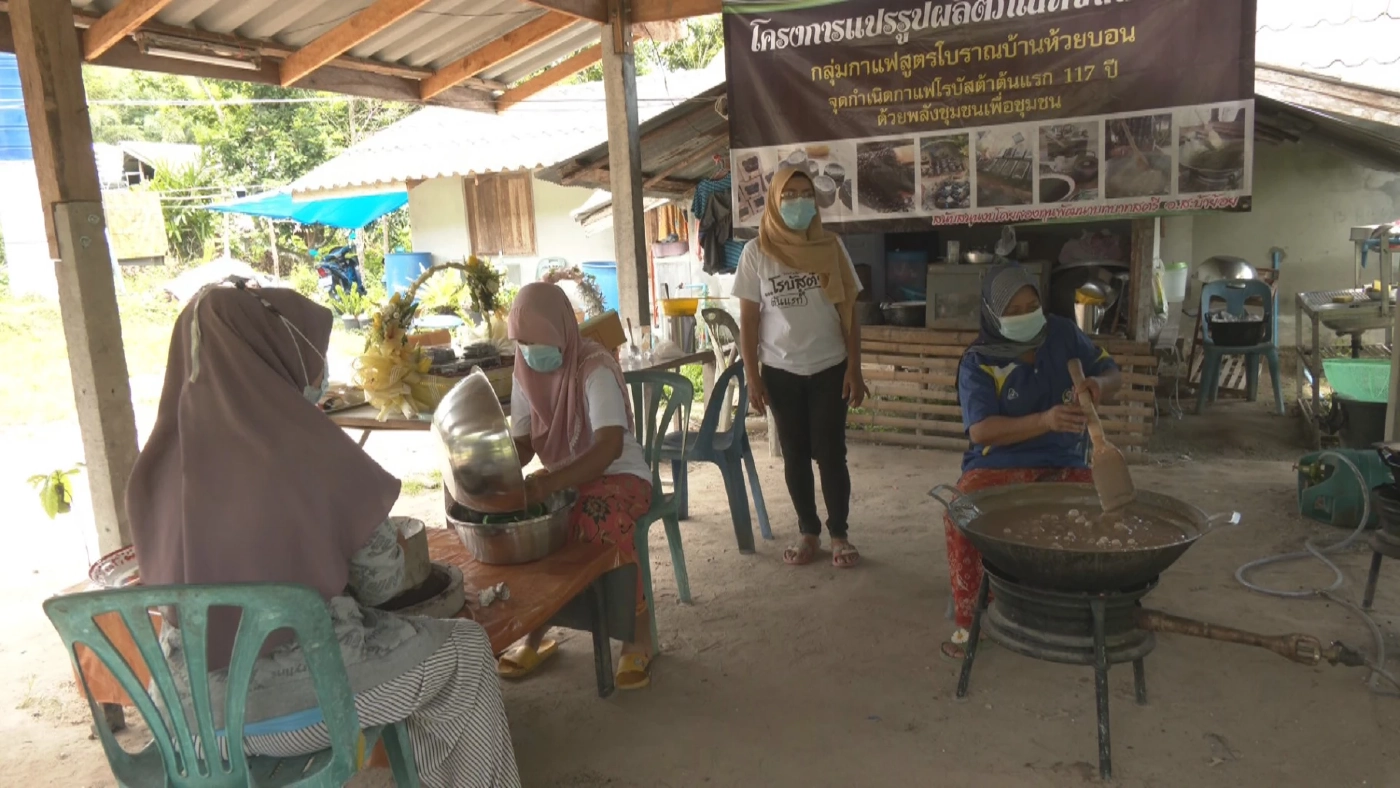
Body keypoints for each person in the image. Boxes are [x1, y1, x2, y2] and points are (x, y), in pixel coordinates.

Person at [126, 282, 520, 787]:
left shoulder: (154, 466)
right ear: (270, 350)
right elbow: (383, 584)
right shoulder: (308, 447)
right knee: (464, 652)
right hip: (290, 708)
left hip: (184, 720)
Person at [478, 282, 657, 690]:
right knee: (525, 530)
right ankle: (536, 632)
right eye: (522, 342)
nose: (529, 350)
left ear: (561, 331)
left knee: (596, 518)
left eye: (537, 340)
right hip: (566, 481)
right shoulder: (525, 373)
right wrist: (492, 470)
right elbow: (524, 444)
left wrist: (549, 485)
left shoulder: (593, 368)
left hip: (621, 476)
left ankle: (638, 635)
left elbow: (609, 446)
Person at [942, 262, 1122, 659]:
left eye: (1032, 305)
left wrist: (1098, 384)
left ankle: (1084, 608)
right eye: (1013, 310)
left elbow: (1112, 372)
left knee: (1106, 512)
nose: (1026, 315)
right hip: (996, 465)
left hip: (1064, 460)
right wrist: (1045, 421)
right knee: (961, 516)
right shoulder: (978, 360)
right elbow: (981, 431)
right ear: (993, 314)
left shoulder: (1063, 334)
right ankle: (971, 619)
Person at [734, 167, 866, 569]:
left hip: (829, 366)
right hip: (780, 371)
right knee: (794, 455)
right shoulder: (756, 252)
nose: (798, 202)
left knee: (831, 453)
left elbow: (849, 311)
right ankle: (808, 531)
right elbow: (749, 321)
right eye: (788, 194)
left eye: (805, 193)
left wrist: (855, 368)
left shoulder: (831, 247)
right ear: (774, 200)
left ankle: (839, 534)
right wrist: (752, 376)